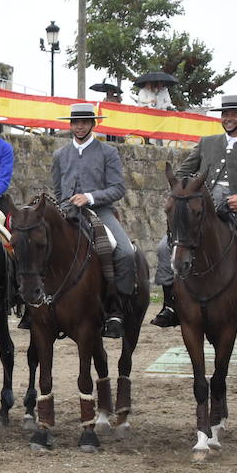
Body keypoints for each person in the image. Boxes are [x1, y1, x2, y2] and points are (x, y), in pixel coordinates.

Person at [150, 93, 237, 334]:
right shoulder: (207, 142)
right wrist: (186, 190)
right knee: (165, 247)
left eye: (233, 114)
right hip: (205, 209)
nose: (228, 118)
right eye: (225, 114)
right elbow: (184, 172)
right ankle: (170, 305)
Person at [50, 102, 135, 338]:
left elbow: (118, 188)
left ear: (92, 124)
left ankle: (117, 309)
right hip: (67, 212)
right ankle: (39, 305)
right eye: (75, 122)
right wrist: (63, 207)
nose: (79, 127)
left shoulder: (108, 152)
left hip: (100, 211)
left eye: (85, 122)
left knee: (126, 252)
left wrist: (89, 197)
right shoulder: (59, 154)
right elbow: (57, 189)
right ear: (70, 125)